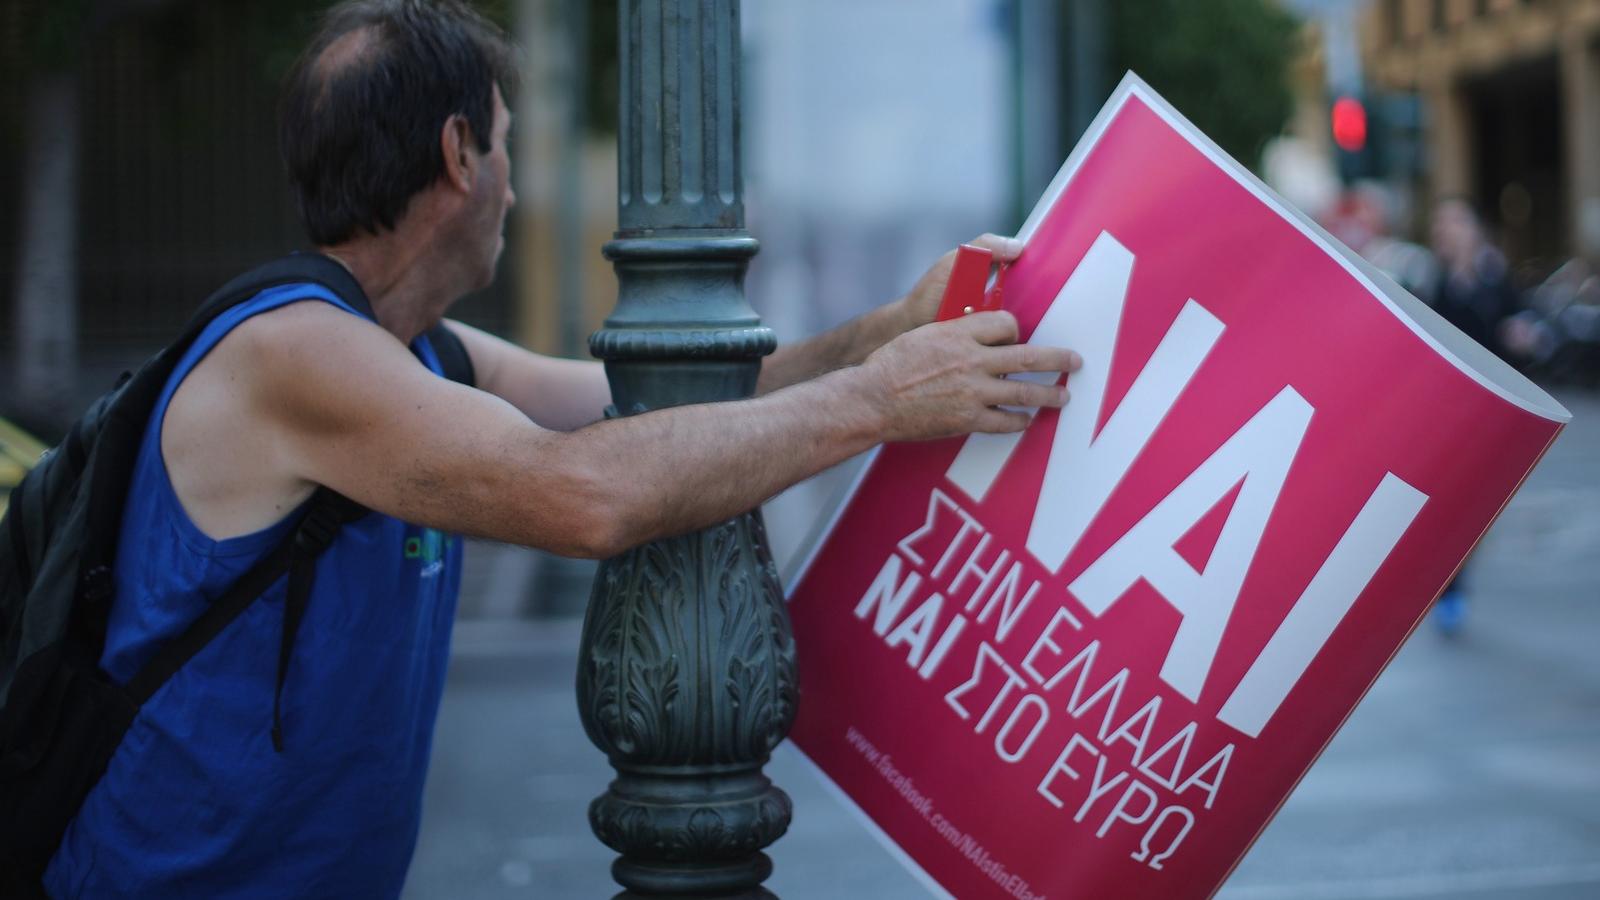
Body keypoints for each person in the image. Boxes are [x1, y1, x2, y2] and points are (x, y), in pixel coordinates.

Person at [40, 1, 1081, 896]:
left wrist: (884, 332)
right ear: (459, 155)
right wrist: (878, 401)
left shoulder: (420, 355)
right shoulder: (294, 356)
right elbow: (586, 495)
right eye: (505, 142)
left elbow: (668, 409)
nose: (513, 181)